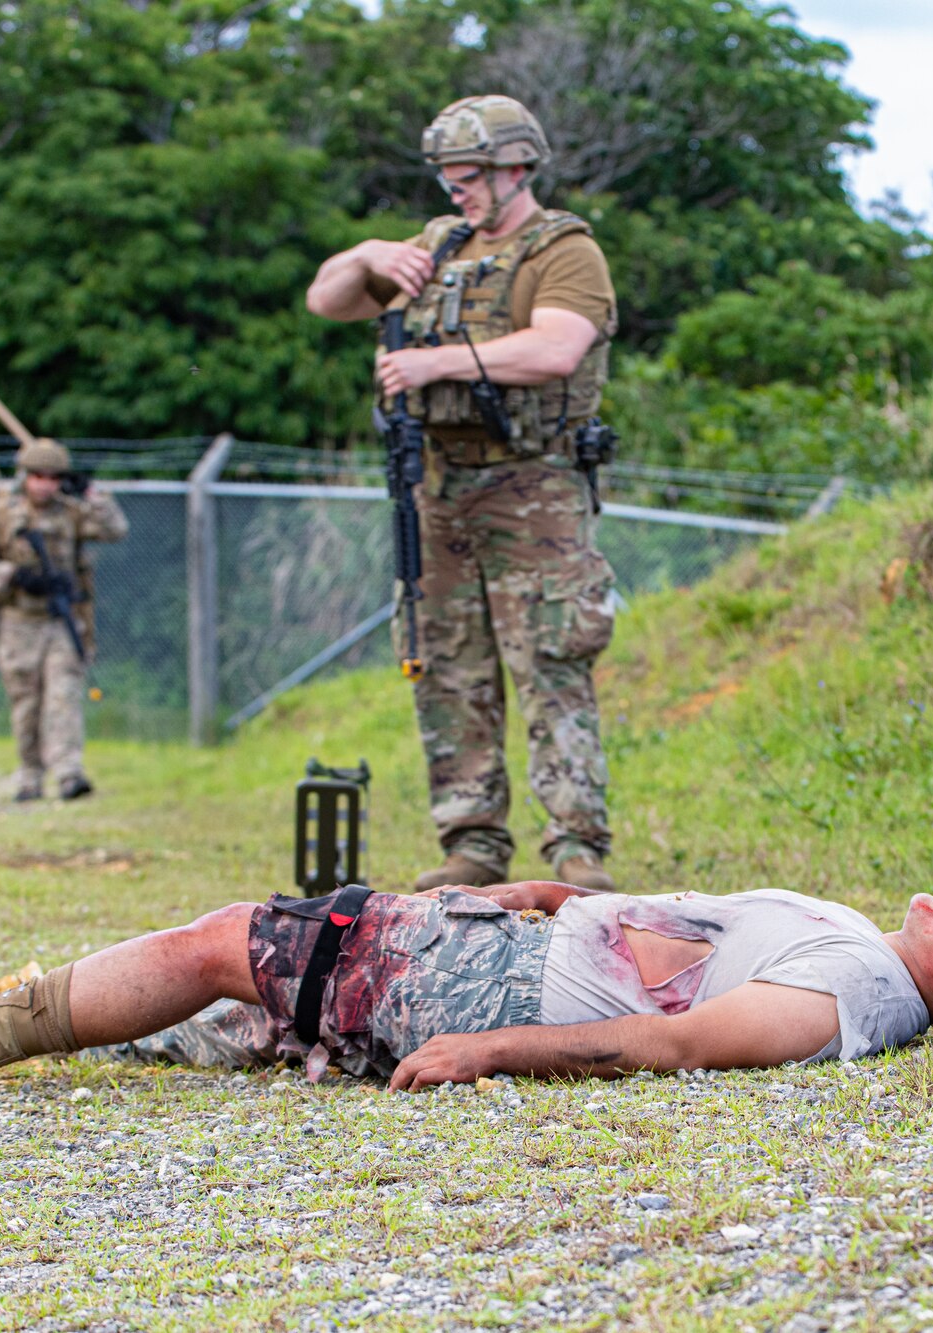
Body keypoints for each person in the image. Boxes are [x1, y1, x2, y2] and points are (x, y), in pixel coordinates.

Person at [0, 881, 933, 1096]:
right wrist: (547, 891)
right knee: (230, 1014)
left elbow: (682, 1044)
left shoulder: (859, 998)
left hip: (494, 992)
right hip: (503, 948)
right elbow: (682, 930)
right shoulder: (857, 941)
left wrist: (487, 1049)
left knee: (226, 943)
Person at [304, 95, 622, 894]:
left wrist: (436, 364)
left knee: (550, 656)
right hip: (439, 486)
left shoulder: (563, 249)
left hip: (533, 485)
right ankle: (472, 839)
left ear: (518, 167)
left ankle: (576, 847)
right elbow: (328, 299)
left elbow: (557, 346)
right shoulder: (438, 245)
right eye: (449, 175)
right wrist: (368, 253)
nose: (458, 189)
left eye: (472, 174)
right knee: (447, 660)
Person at [0, 438, 128, 802]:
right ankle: (30, 775)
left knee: (63, 696)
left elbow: (115, 530)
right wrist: (15, 576)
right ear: (25, 477)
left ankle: (69, 773)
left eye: (54, 478)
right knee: (27, 703)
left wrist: (92, 493)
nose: (46, 485)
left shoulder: (70, 513)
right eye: (38, 476)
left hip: (61, 620)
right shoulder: (1, 516)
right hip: (18, 621)